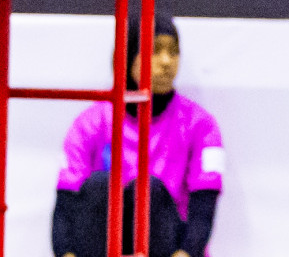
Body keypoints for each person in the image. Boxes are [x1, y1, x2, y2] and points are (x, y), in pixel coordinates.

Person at [53, 16, 222, 257]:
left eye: (174, 52)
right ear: (128, 55)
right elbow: (65, 205)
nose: (166, 62)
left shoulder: (200, 124)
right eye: (154, 51)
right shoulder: (90, 123)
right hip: (103, 247)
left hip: (170, 249)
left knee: (148, 190)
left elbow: (203, 211)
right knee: (100, 185)